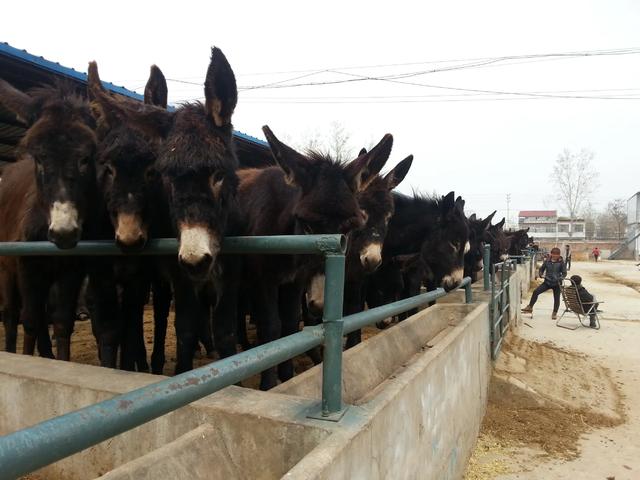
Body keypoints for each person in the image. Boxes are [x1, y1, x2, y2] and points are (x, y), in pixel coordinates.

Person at [522, 247, 567, 319]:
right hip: (547, 282)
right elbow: (542, 269)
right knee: (536, 292)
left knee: (556, 298)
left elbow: (564, 273)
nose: (555, 256)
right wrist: (541, 274)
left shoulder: (561, 262)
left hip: (557, 283)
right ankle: (530, 307)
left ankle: (554, 313)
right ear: (551, 254)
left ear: (559, 255)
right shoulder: (547, 261)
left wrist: (560, 278)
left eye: (557, 255)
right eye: (554, 254)